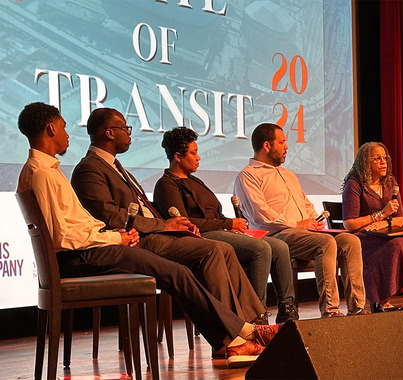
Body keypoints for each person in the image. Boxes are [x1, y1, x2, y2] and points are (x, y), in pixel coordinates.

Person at [15, 102, 280, 368]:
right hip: (84, 255)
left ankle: (242, 332)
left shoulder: (45, 171)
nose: (68, 134)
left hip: (95, 247)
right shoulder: (48, 174)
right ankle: (238, 336)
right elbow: (66, 236)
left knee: (196, 262)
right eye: (63, 128)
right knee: (186, 267)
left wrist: (127, 232)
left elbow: (79, 225)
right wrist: (116, 237)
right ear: (50, 129)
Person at [69, 108, 268, 325]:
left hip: (155, 234)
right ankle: (234, 331)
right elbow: (110, 217)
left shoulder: (114, 166)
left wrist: (177, 224)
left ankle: (256, 322)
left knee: (225, 249)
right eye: (125, 128)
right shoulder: (89, 169)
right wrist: (164, 225)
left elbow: (144, 208)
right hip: (136, 241)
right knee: (214, 249)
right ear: (109, 133)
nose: (129, 133)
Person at [153, 127, 298, 324]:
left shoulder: (195, 181)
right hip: (201, 236)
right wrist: (228, 223)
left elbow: (215, 213)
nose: (199, 158)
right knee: (261, 248)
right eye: (193, 154)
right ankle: (256, 315)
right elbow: (184, 223)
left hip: (219, 230)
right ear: (177, 156)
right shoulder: (166, 185)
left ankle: (287, 309)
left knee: (280, 247)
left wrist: (233, 226)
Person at [234, 123, 368, 318]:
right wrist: (296, 224)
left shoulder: (288, 175)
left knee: (350, 241)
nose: (286, 146)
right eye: (282, 142)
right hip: (276, 236)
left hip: (304, 233)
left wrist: (315, 220)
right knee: (325, 243)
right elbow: (259, 213)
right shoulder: (248, 176)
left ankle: (357, 307)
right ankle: (330, 310)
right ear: (266, 146)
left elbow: (305, 204)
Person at [341, 142, 403, 317]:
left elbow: (400, 218)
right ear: (365, 162)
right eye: (377, 158)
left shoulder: (390, 182)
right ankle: (383, 302)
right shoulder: (355, 184)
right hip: (363, 237)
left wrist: (385, 223)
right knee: (394, 246)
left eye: (385, 158)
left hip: (385, 231)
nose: (383, 162)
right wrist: (380, 215)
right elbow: (349, 223)